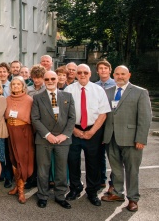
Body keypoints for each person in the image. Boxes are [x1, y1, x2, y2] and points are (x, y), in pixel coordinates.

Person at [100, 66, 152, 212]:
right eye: (117, 74)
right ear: (113, 75)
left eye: (123, 74)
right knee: (116, 169)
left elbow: (145, 118)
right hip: (111, 138)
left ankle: (133, 199)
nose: (120, 76)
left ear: (129, 74)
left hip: (132, 140)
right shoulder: (107, 92)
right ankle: (117, 193)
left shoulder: (140, 92)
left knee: (132, 170)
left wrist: (141, 139)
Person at [64, 64, 111, 207]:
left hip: (93, 130)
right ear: (76, 74)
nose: (82, 75)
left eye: (85, 72)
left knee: (93, 162)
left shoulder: (98, 90)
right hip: (74, 130)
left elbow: (103, 113)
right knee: (72, 161)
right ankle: (75, 188)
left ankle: (92, 191)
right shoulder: (69, 90)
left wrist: (92, 131)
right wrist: (74, 130)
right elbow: (64, 113)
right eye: (80, 72)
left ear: (90, 74)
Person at [31, 70, 76, 209]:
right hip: (44, 139)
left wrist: (64, 135)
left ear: (58, 80)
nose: (50, 81)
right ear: (44, 81)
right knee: (43, 169)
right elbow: (35, 119)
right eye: (47, 79)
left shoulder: (67, 96)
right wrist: (47, 135)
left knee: (61, 170)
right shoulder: (38, 98)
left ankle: (60, 196)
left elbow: (72, 118)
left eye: (53, 79)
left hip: (62, 139)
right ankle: (43, 196)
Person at [4, 76, 34, 204]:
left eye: (18, 84)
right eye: (14, 84)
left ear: (23, 86)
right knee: (13, 159)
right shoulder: (7, 99)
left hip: (23, 131)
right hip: (10, 130)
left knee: (22, 160)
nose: (16, 86)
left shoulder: (29, 100)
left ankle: (21, 190)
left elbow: (31, 117)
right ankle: (17, 185)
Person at [94, 60, 116, 190]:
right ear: (97, 71)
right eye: (100, 68)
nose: (103, 70)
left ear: (110, 70)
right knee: (98, 154)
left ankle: (114, 183)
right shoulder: (94, 86)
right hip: (98, 124)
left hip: (111, 124)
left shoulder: (115, 84)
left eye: (105, 68)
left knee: (114, 156)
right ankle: (101, 179)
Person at [0, 62, 12, 187]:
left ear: (8, 73)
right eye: (0, 71)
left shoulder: (12, 86)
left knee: (8, 151)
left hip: (9, 122)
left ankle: (9, 177)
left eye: (4, 71)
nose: (2, 73)